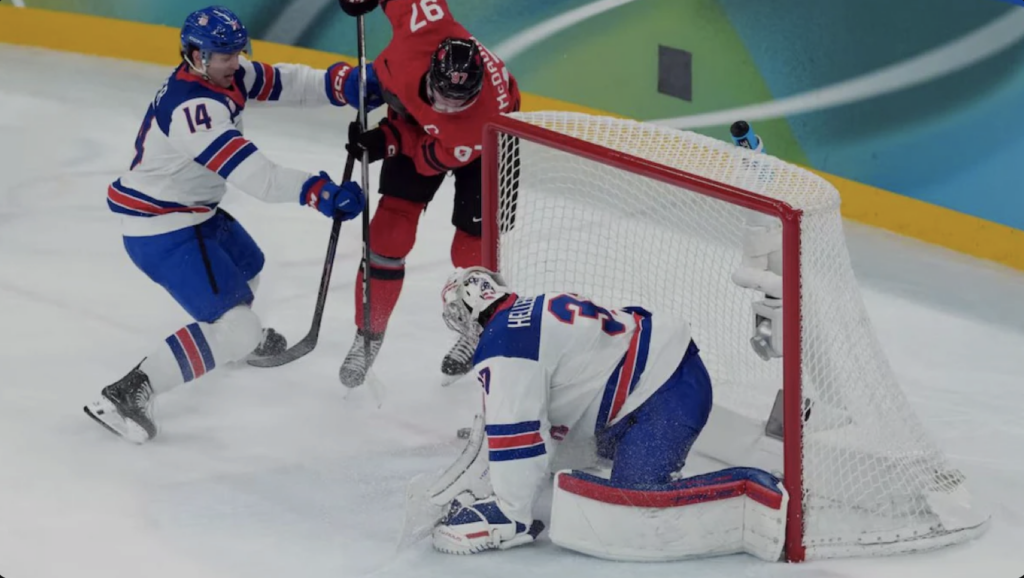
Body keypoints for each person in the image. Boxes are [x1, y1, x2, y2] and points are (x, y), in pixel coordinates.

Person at [83, 5, 372, 444]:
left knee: (249, 264)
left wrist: (341, 84)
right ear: (197, 56)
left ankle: (234, 343)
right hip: (161, 226)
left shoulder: (223, 73)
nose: (235, 62)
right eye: (225, 55)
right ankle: (129, 392)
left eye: (238, 52)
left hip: (194, 210)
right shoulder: (192, 111)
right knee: (239, 327)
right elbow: (260, 177)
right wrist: (318, 191)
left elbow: (285, 82)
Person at [425, 267, 715, 554]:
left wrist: (509, 511)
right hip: (662, 378)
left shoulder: (503, 344)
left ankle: (724, 494)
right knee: (569, 462)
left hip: (669, 395)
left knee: (632, 514)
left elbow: (518, 434)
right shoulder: (532, 309)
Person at [336, 0, 521, 387]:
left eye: (460, 99)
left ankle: (478, 330)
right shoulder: (421, 29)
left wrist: (383, 140)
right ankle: (368, 335)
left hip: (491, 139)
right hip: (436, 129)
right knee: (389, 232)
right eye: (443, 95)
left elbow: (423, 157)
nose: (449, 105)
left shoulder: (468, 126)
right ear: (432, 68)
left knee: (475, 252)